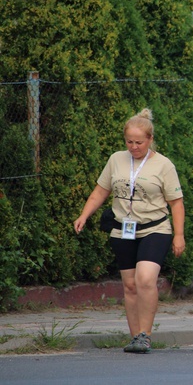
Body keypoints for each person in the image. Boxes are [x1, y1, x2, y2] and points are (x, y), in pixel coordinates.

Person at [73, 108, 185, 354]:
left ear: (150, 140)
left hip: (155, 228)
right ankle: (134, 336)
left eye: (139, 142)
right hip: (123, 229)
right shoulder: (116, 159)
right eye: (129, 142)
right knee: (130, 285)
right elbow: (101, 191)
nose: (134, 147)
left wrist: (179, 235)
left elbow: (176, 202)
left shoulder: (164, 165)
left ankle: (145, 335)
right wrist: (84, 215)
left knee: (145, 279)